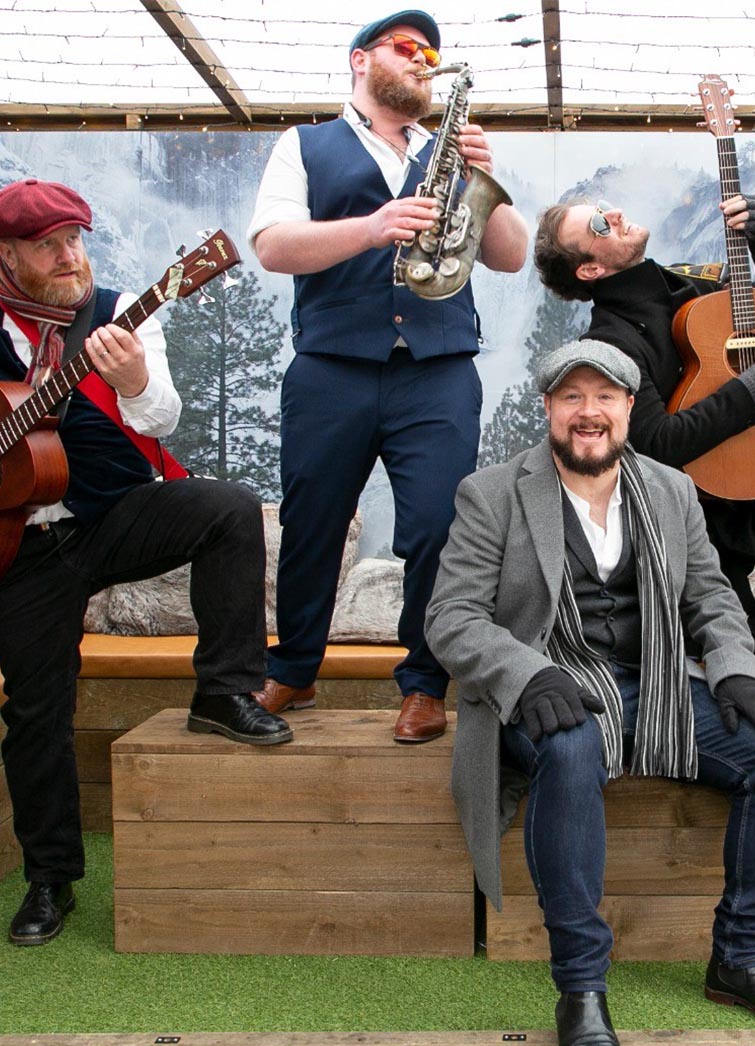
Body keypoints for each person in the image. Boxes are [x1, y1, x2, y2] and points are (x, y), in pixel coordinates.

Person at [426, 339, 755, 1046]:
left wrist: (738, 670)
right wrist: (528, 675)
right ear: (548, 408)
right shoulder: (492, 493)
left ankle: (739, 960)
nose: (589, 413)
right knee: (571, 746)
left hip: (657, 683)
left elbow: (711, 597)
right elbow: (451, 618)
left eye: (604, 397)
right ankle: (581, 987)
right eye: (572, 397)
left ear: (628, 408)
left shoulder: (672, 490)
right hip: (550, 685)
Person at [0, 178, 292, 947]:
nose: (69, 257)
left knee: (228, 508)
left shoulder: (122, 310)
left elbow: (160, 416)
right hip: (22, 546)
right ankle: (50, 879)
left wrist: (130, 377)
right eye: (46, 246)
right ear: (7, 255)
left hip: (109, 517)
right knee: (34, 711)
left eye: (76, 239)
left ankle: (222, 692)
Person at [248, 8, 528, 743]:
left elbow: (510, 256)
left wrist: (485, 174)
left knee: (438, 526)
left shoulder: (447, 150)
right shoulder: (304, 144)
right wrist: (372, 229)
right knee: (312, 522)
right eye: (407, 48)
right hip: (331, 368)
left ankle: (425, 683)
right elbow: (273, 246)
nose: (422, 61)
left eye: (431, 54)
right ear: (360, 60)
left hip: (436, 371)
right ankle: (294, 667)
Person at [533, 195, 755, 716]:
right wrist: (745, 395)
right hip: (690, 513)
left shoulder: (683, 283)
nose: (616, 213)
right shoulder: (609, 343)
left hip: (746, 477)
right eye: (599, 223)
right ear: (590, 268)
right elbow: (658, 442)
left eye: (607, 206)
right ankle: (734, 668)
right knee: (717, 609)